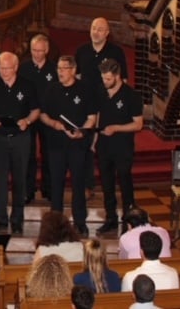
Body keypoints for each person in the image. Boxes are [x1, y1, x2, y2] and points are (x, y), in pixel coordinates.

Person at [0, 52, 40, 234]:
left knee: (20, 179)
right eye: (1, 68)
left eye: (7, 68)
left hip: (20, 138)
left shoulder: (27, 85)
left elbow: (35, 110)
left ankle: (17, 219)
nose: (4, 72)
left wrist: (27, 121)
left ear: (15, 67)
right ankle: (0, 219)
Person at [40, 55, 96, 237]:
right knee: (56, 184)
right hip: (56, 144)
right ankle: (56, 223)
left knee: (78, 183)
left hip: (77, 144)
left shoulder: (85, 89)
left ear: (73, 70)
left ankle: (80, 222)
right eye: (59, 68)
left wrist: (82, 131)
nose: (60, 72)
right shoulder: (51, 89)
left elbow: (91, 117)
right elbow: (43, 115)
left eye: (64, 68)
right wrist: (55, 124)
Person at [75, 17, 128, 201]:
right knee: (85, 146)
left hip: (107, 107)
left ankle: (110, 189)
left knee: (105, 148)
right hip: (85, 106)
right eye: (93, 28)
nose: (95, 32)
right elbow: (78, 77)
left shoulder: (116, 52)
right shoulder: (82, 51)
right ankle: (87, 185)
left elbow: (124, 81)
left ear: (107, 33)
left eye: (100, 29)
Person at [94, 59, 143, 234]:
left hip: (122, 146)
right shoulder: (101, 91)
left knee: (124, 182)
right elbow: (99, 114)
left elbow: (138, 124)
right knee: (106, 184)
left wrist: (116, 128)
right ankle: (110, 218)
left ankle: (129, 219)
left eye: (108, 79)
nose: (105, 82)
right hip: (104, 145)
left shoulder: (131, 96)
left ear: (118, 76)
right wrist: (95, 139)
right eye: (103, 78)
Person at [19, 33, 57, 204]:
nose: (37, 54)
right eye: (34, 50)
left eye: (40, 51)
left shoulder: (54, 69)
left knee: (48, 153)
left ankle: (48, 188)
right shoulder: (24, 68)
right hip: (29, 116)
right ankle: (29, 189)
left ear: (47, 50)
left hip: (48, 117)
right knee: (28, 154)